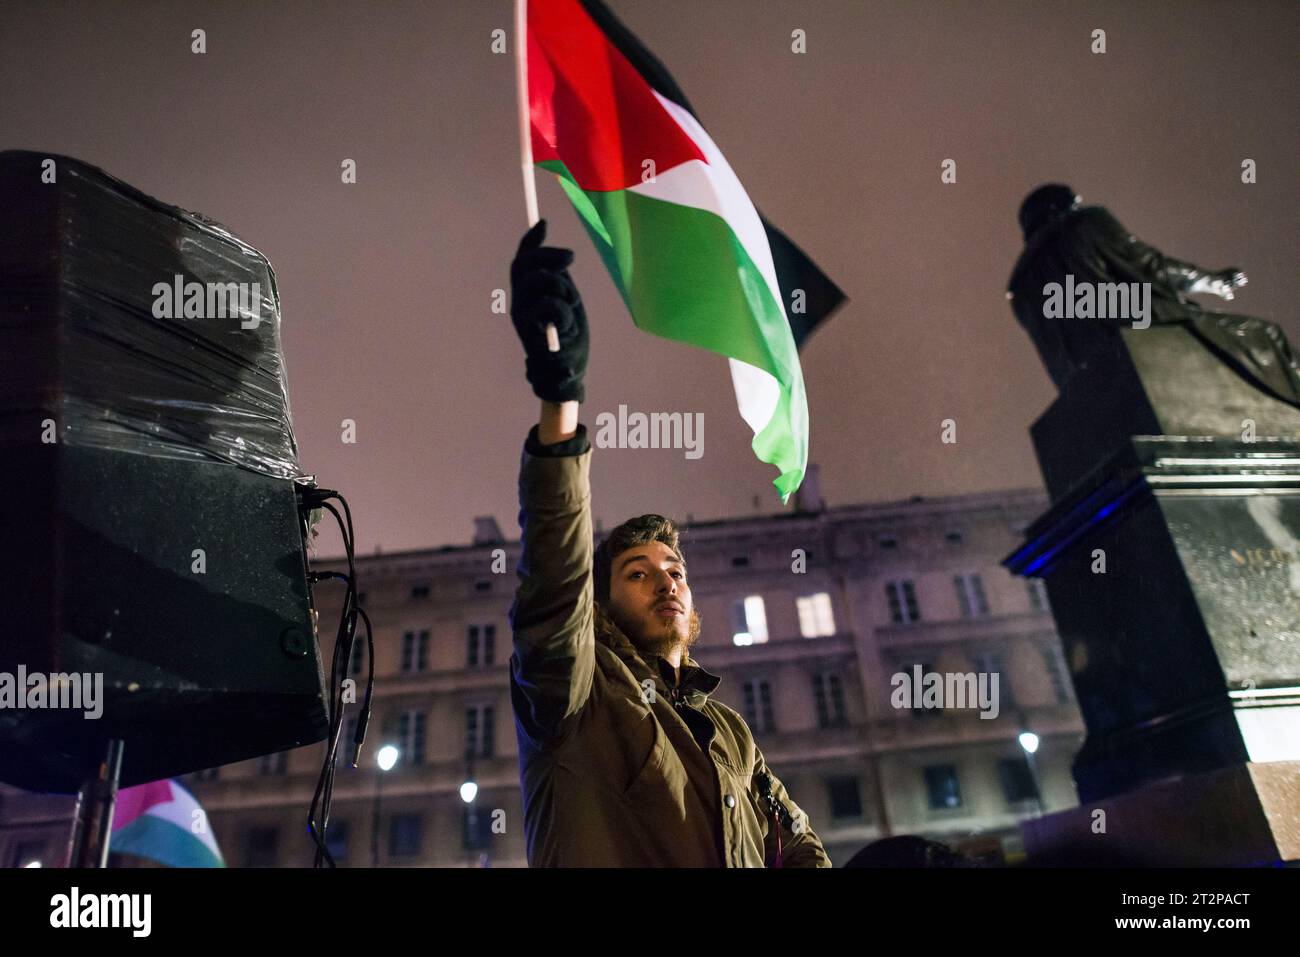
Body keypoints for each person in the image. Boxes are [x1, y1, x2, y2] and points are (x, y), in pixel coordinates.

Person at [505, 219, 831, 868]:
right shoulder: (578, 690)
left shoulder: (733, 733)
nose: (665, 581)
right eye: (637, 572)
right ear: (601, 601)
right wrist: (562, 398)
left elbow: (798, 842)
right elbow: (555, 575)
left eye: (673, 568)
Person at [1007, 183, 1300, 408]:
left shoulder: (1019, 286)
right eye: (1074, 202)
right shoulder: (1085, 222)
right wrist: (1211, 281)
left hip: (1086, 390)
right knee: (1266, 336)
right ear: (1062, 207)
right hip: (1144, 332)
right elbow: (1150, 267)